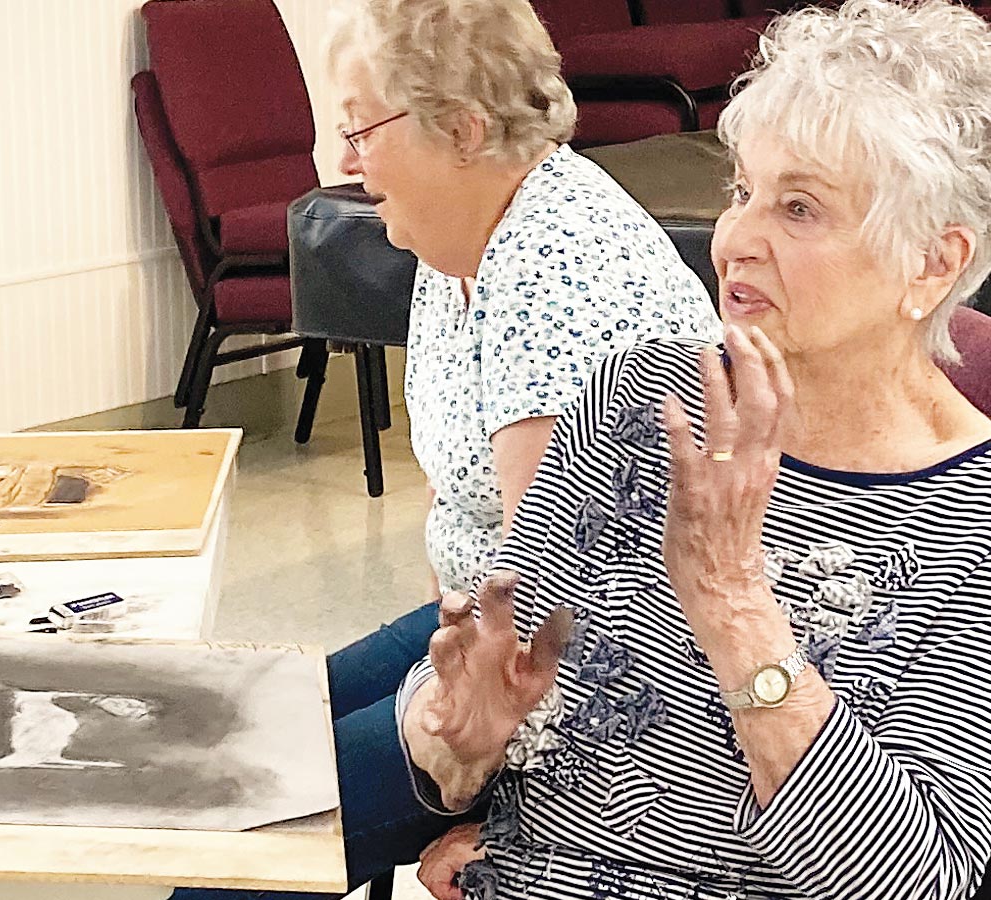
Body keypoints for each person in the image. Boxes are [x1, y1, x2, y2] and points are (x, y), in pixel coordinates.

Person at [399, 1, 991, 897]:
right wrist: (449, 734)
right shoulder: (636, 399)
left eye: (799, 209)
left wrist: (733, 602)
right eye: (743, 191)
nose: (736, 240)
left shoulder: (967, 526)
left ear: (933, 263)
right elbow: (497, 703)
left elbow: (919, 877)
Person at [172, 2, 718, 898]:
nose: (339, 162)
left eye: (359, 131)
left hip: (590, 705)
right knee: (242, 732)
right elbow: (470, 518)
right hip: (479, 637)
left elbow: (557, 615)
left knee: (237, 836)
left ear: (463, 130)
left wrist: (501, 815)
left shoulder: (560, 265)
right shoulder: (455, 241)